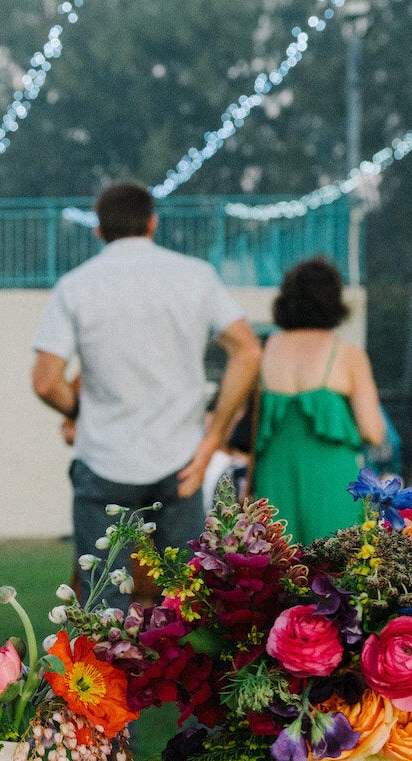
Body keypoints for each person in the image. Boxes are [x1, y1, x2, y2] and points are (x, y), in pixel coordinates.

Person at [30, 183, 262, 604]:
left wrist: (79, 410)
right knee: (185, 605)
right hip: (181, 463)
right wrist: (214, 438)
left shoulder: (75, 285)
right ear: (153, 223)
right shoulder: (196, 276)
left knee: (102, 609)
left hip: (102, 462)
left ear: (99, 230)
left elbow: (46, 381)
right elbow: (247, 350)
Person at [247, 256, 388, 542]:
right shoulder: (348, 354)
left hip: (273, 477)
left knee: (275, 572)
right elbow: (373, 432)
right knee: (337, 574)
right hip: (331, 480)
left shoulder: (264, 351)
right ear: (335, 302)